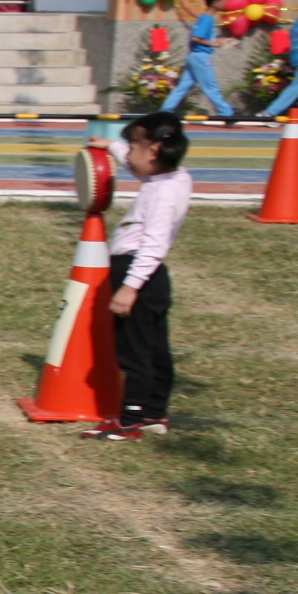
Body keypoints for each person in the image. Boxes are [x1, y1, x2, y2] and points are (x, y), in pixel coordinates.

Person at [81, 112, 191, 441]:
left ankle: (128, 421)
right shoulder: (175, 178)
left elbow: (154, 245)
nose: (127, 154)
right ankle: (155, 413)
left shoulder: (161, 194)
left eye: (131, 146)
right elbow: (139, 166)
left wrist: (129, 288)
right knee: (156, 349)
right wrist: (112, 147)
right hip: (153, 279)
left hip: (136, 272)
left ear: (153, 150)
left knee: (133, 352)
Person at [161, 0, 238, 125]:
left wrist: (220, 41)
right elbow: (196, 37)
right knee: (210, 87)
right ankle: (228, 114)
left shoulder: (204, 18)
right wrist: (214, 43)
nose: (225, 3)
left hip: (194, 56)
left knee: (182, 88)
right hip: (201, 57)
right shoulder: (207, 19)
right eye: (223, 0)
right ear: (215, 2)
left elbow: (199, 37)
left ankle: (164, 113)